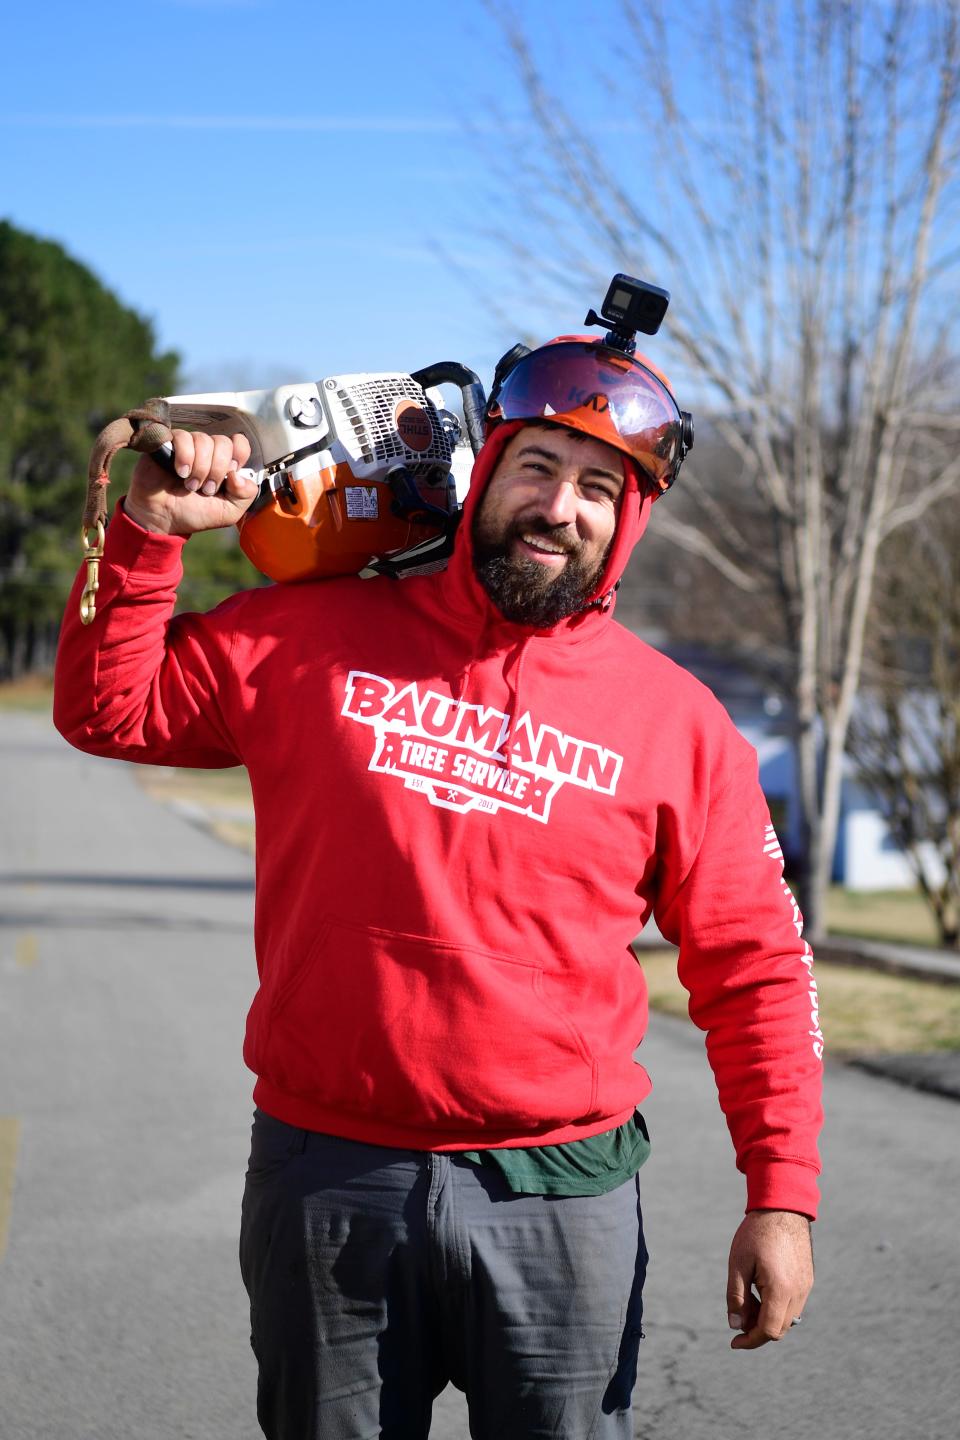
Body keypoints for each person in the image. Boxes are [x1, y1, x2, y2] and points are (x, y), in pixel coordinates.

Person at [54, 334, 822, 1440]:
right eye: (537, 469)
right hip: (330, 1180)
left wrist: (782, 1198)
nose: (561, 506)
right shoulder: (308, 636)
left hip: (564, 1191)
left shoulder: (680, 728)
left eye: (599, 487)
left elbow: (756, 970)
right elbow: (107, 711)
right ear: (485, 475)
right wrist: (148, 539)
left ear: (630, 522)